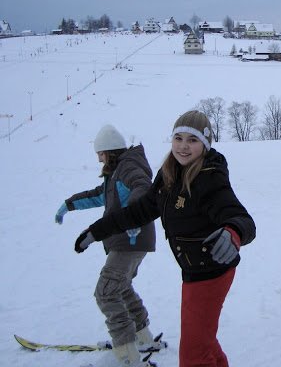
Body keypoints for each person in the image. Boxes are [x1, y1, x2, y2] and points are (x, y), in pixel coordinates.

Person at [74, 111, 256, 367]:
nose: (183, 146)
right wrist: (97, 230)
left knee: (193, 355)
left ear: (205, 144)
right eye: (178, 138)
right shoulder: (169, 173)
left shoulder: (209, 177)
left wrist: (233, 232)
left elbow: (239, 216)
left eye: (192, 140)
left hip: (211, 272)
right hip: (193, 269)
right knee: (202, 340)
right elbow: (139, 211)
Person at [55, 124, 162, 366]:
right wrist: (68, 205)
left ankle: (126, 354)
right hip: (131, 239)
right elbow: (99, 195)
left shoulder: (128, 166)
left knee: (106, 292)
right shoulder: (116, 173)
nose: (99, 159)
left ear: (110, 152)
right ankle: (142, 337)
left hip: (130, 238)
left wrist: (134, 219)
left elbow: (142, 187)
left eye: (100, 154)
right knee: (121, 287)